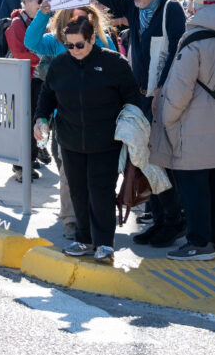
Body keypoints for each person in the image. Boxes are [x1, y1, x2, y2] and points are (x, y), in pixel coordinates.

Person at [74, 0, 187, 248]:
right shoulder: (135, 7)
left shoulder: (171, 8)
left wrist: (161, 89)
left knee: (161, 160)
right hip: (140, 95)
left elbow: (178, 53)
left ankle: (174, 221)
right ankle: (164, 218)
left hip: (162, 97)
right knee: (146, 159)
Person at [150, 0, 215, 260]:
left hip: (194, 130)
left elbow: (179, 90)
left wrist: (166, 121)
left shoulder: (193, 41)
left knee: (195, 190)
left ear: (193, 9)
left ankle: (199, 243)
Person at [34, 16, 141, 264]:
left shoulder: (113, 63)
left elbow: (132, 99)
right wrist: (41, 119)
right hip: (70, 141)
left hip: (105, 142)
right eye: (69, 45)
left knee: (101, 192)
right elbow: (47, 97)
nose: (74, 51)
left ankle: (104, 243)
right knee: (78, 192)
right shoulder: (60, 64)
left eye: (79, 45)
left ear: (92, 39)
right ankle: (83, 238)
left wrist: (129, 130)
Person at [24, 1, 116, 239]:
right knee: (68, 173)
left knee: (96, 178)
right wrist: (44, 13)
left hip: (99, 123)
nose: (79, 23)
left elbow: (119, 77)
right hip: (66, 121)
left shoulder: (104, 42)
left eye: (84, 18)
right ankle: (72, 221)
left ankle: (92, 222)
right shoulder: (58, 43)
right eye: (73, 19)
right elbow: (31, 42)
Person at [5, 0, 46, 181]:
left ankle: (29, 159)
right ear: (27, 1)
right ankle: (21, 166)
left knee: (35, 121)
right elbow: (19, 53)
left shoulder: (39, 21)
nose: (43, 4)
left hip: (37, 79)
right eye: (40, 1)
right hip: (25, 80)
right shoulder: (17, 24)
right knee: (25, 122)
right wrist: (44, 58)